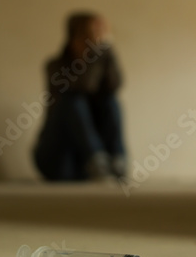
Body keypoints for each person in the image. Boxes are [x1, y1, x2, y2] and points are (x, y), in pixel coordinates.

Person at [33, 12, 126, 181]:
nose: (97, 39)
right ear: (75, 37)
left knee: (110, 101)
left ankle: (117, 159)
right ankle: (96, 158)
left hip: (83, 164)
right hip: (58, 158)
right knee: (72, 100)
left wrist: (108, 51)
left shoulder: (103, 61)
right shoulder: (55, 66)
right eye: (92, 34)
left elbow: (116, 85)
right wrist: (95, 55)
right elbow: (84, 86)